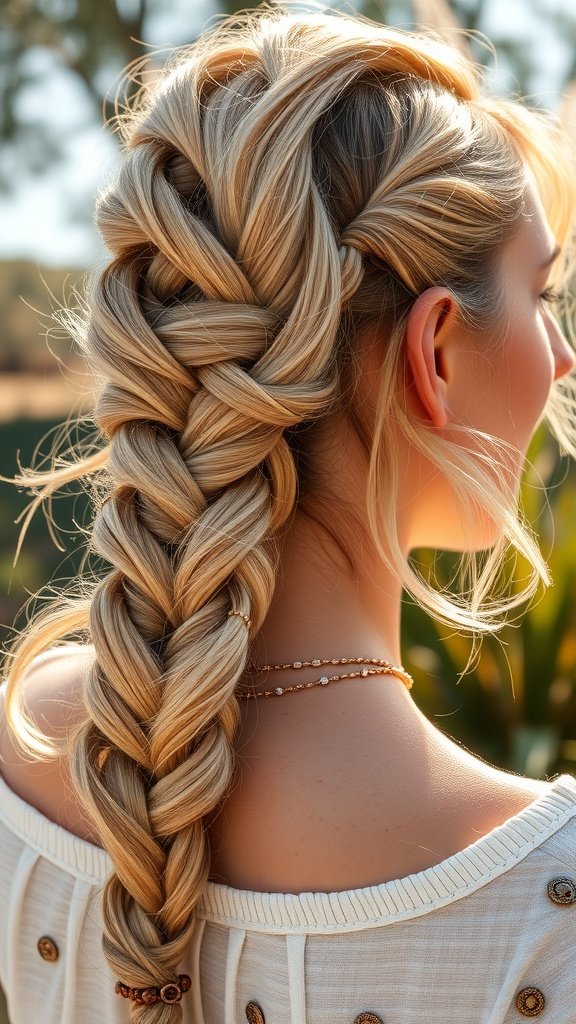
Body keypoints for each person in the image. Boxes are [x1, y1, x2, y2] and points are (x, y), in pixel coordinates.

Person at [1, 2, 576, 1021]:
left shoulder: (30, 744)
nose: (562, 358)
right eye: (543, 295)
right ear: (435, 351)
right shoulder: (546, 903)